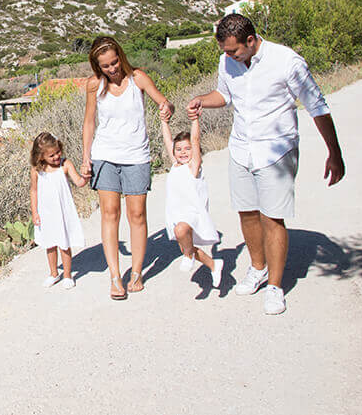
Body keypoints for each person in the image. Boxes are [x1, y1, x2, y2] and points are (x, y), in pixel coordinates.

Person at [187, 14, 344, 315]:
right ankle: (257, 268)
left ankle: (275, 285)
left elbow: (317, 107)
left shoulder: (287, 62)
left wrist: (334, 153)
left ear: (250, 40)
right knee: (247, 213)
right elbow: (224, 94)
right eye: (224, 51)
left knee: (273, 217)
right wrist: (201, 100)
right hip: (241, 148)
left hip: (277, 150)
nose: (228, 56)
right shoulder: (228, 60)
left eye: (233, 51)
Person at [82, 36, 173, 300]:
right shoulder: (94, 86)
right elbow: (89, 123)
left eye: (114, 62)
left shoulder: (138, 79)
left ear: (121, 56)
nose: (112, 69)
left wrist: (167, 108)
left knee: (137, 215)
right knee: (109, 214)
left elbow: (164, 102)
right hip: (105, 156)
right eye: (105, 66)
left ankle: (136, 273)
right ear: (97, 67)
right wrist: (86, 157)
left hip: (136, 156)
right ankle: (115, 278)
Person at [159, 111, 223, 287]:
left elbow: (195, 140)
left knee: (181, 232)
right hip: (177, 213)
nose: (183, 152)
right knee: (185, 245)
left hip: (192, 212)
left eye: (187, 149)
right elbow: (167, 141)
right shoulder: (175, 165)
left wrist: (195, 119)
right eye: (179, 149)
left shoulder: (193, 166)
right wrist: (164, 121)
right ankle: (214, 265)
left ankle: (188, 256)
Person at [30, 132, 87, 289]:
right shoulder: (36, 170)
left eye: (57, 152)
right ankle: (54, 273)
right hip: (46, 213)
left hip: (62, 212)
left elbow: (79, 182)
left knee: (64, 243)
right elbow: (34, 191)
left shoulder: (65, 165)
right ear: (41, 156)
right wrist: (35, 212)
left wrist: (86, 175)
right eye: (51, 155)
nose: (56, 157)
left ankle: (68, 275)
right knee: (50, 244)